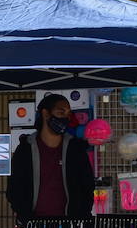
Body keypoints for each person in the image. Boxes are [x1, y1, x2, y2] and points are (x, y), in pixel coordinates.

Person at [7, 93, 94, 221]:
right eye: (61, 112)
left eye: (68, 114)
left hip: (71, 226)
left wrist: (80, 216)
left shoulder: (76, 149)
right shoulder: (25, 149)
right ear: (45, 114)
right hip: (35, 226)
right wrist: (25, 216)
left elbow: (87, 186)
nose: (66, 118)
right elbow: (14, 188)